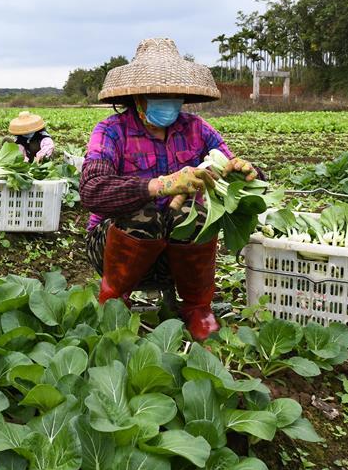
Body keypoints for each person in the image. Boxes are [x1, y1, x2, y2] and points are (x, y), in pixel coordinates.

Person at [78, 38, 261, 341]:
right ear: (138, 97)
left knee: (196, 212)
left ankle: (197, 309)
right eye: (158, 94)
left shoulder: (197, 129)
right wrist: (160, 185)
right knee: (143, 213)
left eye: (173, 94)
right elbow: (92, 190)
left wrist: (247, 171)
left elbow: (229, 166)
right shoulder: (110, 131)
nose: (168, 100)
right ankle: (113, 305)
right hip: (116, 250)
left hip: (182, 258)